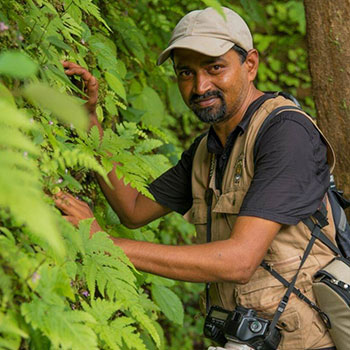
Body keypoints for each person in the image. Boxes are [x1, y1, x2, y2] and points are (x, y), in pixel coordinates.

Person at [56, 7, 338, 350]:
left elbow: (240, 261)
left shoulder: (285, 134)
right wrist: (87, 118)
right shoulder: (208, 149)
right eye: (186, 73)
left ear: (250, 64)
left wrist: (104, 243)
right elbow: (132, 209)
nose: (200, 86)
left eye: (215, 67)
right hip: (243, 339)